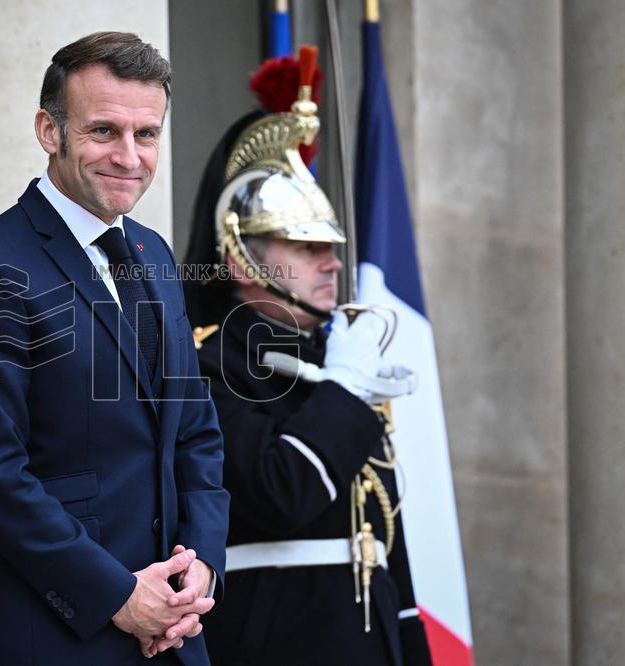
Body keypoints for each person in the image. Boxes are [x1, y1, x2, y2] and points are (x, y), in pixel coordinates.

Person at [0, 32, 229, 666]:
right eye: (103, 131)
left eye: (146, 134)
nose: (129, 156)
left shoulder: (154, 253)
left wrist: (201, 563)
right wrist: (116, 594)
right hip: (43, 635)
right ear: (49, 131)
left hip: (174, 634)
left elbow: (195, 432)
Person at [184, 51, 433, 665]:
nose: (333, 263)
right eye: (306, 245)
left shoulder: (335, 364)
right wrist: (345, 390)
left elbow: (384, 541)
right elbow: (281, 492)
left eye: (332, 246)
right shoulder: (206, 367)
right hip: (277, 642)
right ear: (243, 261)